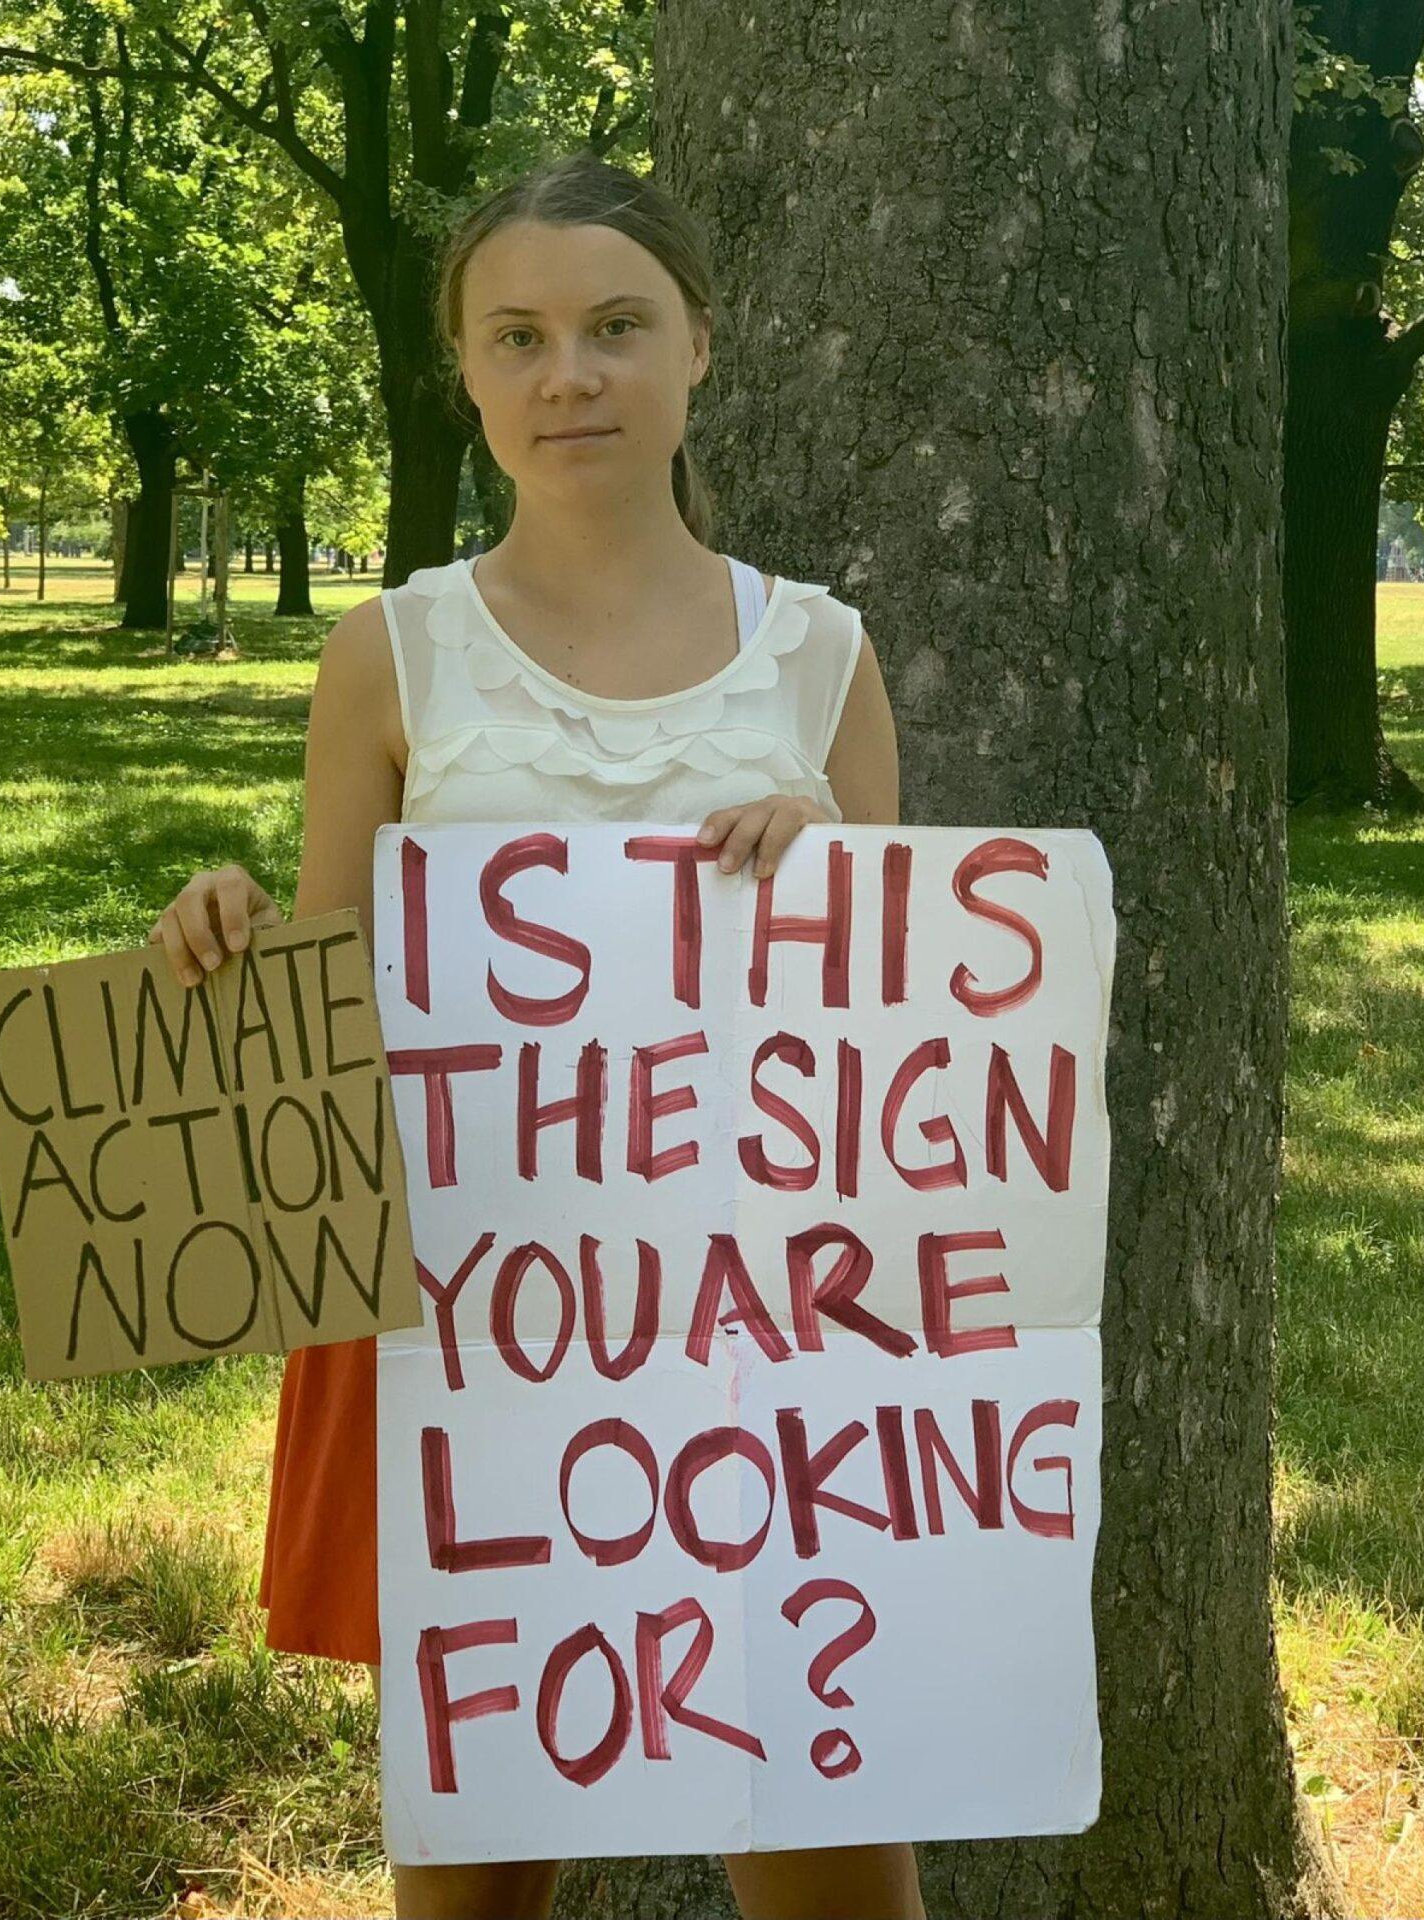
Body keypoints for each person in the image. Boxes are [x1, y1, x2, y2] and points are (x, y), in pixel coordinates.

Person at [151, 150, 917, 1920]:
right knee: (477, 1859)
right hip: (478, 1324)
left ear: (700, 347)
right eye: (520, 337)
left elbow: (892, 1047)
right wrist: (230, 932)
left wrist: (845, 884)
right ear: (471, 373)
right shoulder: (391, 655)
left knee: (821, 1821)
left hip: (755, 1337)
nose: (570, 374)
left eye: (615, 327)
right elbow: (326, 988)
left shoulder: (820, 657)